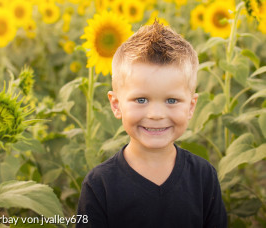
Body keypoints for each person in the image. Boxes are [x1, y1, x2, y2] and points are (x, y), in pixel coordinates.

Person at [76, 21, 227, 228]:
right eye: (141, 100)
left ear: (191, 107)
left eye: (171, 101)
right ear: (116, 104)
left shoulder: (203, 178)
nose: (156, 115)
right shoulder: (99, 185)